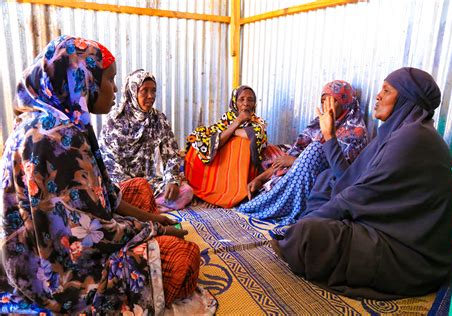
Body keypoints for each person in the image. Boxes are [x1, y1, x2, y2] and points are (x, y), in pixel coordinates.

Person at [0, 36, 215, 314]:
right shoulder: (57, 138)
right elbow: (88, 232)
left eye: (153, 91)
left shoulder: (66, 122)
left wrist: (154, 212)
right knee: (183, 255)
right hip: (59, 274)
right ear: (83, 78)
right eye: (109, 80)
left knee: (139, 189)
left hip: (79, 224)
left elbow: (107, 193)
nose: (113, 89)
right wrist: (155, 229)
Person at [271, 67, 452, 299]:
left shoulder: (412, 139)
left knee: (309, 235)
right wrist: (328, 135)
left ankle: (301, 234)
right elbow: (349, 179)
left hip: (407, 253)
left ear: (406, 99)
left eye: (387, 91)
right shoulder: (397, 133)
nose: (378, 96)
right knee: (325, 179)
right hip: (383, 225)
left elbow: (357, 195)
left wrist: (307, 222)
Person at [237, 80, 368, 226]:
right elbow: (292, 154)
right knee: (271, 151)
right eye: (323, 101)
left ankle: (280, 207)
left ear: (345, 104)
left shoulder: (355, 133)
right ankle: (264, 197)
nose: (326, 107)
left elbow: (343, 174)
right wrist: (260, 178)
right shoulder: (318, 123)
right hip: (298, 174)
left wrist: (296, 161)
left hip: (325, 187)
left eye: (332, 102)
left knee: (314, 150)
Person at [99, 69, 193, 212]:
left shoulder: (158, 119)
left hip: (149, 184)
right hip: (123, 184)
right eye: (144, 91)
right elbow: (109, 164)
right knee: (110, 197)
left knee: (186, 191)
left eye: (153, 91)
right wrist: (135, 187)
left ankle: (142, 208)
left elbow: (172, 155)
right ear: (132, 91)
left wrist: (172, 180)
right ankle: (146, 207)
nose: (151, 96)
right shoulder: (114, 121)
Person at [184, 85, 267, 208]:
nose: (246, 103)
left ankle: (226, 196)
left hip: (237, 167)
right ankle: (204, 193)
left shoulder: (258, 122)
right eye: (242, 99)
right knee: (200, 142)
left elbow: (254, 136)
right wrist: (237, 122)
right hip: (221, 159)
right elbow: (216, 140)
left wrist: (230, 132)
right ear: (235, 102)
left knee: (241, 145)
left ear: (254, 103)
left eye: (250, 100)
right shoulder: (227, 119)